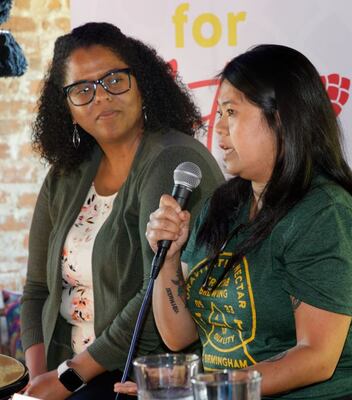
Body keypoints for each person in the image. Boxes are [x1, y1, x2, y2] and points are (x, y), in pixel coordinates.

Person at [134, 44, 352, 399]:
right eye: (218, 113)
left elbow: (316, 357)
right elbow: (178, 335)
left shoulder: (324, 213)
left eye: (230, 112)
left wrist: (204, 391)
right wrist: (169, 260)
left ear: (281, 118)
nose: (217, 127)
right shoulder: (221, 205)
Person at [20, 22, 224, 399]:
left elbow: (152, 297)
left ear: (141, 81)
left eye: (114, 80)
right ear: (66, 107)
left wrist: (70, 377)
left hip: (139, 377)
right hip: (65, 375)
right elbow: (36, 290)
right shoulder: (65, 175)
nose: (100, 97)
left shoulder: (172, 161)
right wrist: (38, 381)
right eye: (82, 90)